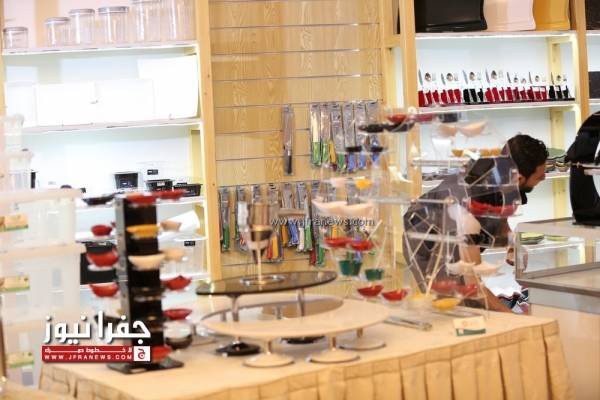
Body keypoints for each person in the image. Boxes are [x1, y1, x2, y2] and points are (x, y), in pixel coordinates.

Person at [403, 133, 548, 312]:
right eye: (539, 176)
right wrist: (514, 318)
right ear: (518, 178)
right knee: (459, 304)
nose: (544, 177)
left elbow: (500, 215)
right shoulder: (466, 208)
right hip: (426, 240)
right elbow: (474, 287)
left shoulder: (503, 173)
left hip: (456, 227)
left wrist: (512, 243)